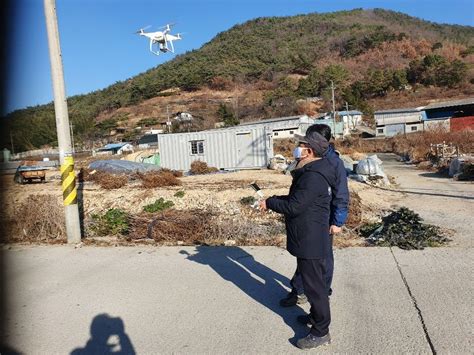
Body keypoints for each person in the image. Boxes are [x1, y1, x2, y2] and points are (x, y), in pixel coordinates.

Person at [259, 130, 334, 349]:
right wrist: (272, 199)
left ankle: (321, 331)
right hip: (309, 237)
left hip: (310, 239)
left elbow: (294, 206)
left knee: (314, 288)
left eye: (300, 145)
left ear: (309, 151)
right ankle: (314, 318)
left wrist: (271, 204)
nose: (296, 148)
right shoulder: (311, 171)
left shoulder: (313, 176)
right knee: (313, 284)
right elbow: (296, 199)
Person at [280, 124, 349, 307]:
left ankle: (321, 294)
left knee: (323, 259)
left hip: (324, 218)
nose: (302, 144)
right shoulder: (307, 158)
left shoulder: (334, 163)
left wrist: (338, 221)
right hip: (307, 216)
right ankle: (299, 291)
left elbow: (341, 193)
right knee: (305, 257)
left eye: (307, 140)